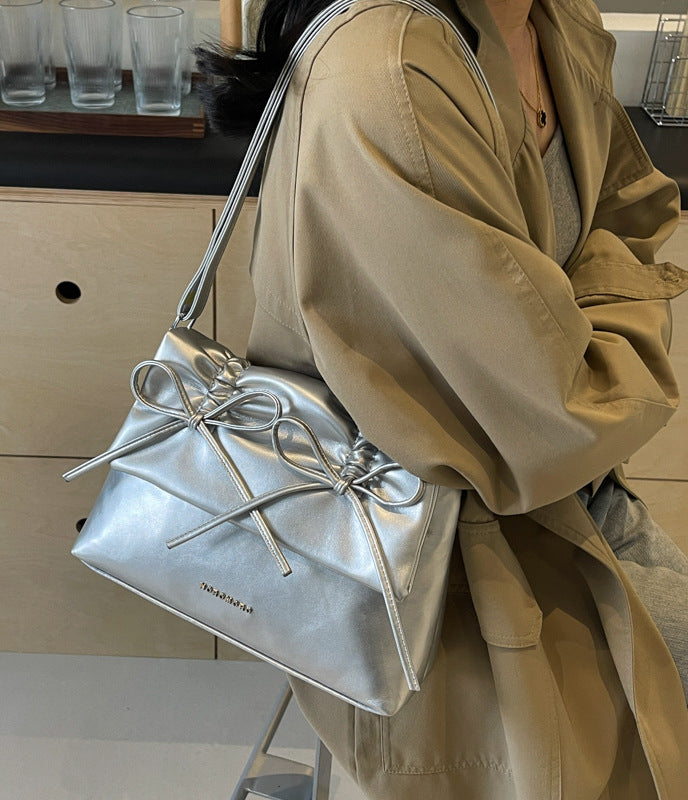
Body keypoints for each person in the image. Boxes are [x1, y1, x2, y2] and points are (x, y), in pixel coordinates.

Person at [196, 0, 688, 796]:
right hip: (433, 576)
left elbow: (631, 207)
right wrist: (610, 316)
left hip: (571, 509)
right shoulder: (391, 71)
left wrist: (588, 329)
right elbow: (558, 419)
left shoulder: (555, 19)